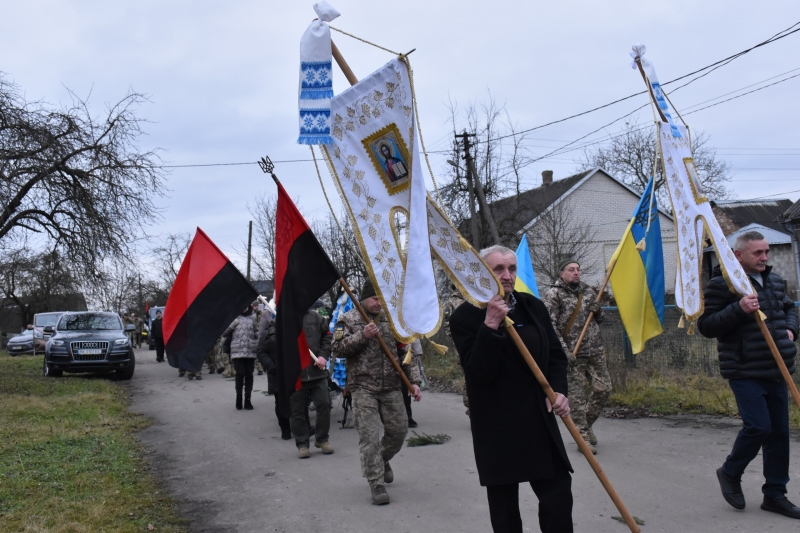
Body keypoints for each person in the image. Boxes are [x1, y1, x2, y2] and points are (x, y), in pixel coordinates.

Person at [449, 245, 573, 533]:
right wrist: (490, 324)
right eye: (498, 269)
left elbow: (556, 356)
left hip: (538, 420)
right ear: (482, 272)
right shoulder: (465, 317)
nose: (507, 275)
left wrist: (559, 391)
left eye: (512, 268)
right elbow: (478, 372)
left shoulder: (533, 307)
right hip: (497, 426)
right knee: (505, 514)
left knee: (558, 498)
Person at [698, 230, 800, 519]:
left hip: (778, 368)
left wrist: (791, 329)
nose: (764, 257)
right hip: (745, 369)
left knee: (779, 433)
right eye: (758, 252)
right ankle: (730, 472)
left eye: (766, 251)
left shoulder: (774, 280)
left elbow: (789, 308)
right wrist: (738, 308)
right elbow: (707, 326)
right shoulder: (723, 284)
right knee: (759, 427)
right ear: (738, 255)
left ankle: (775, 494)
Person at [331, 278, 422, 505]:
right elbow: (337, 349)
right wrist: (363, 335)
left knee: (399, 432)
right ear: (364, 298)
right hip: (363, 387)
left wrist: (414, 381)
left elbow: (405, 352)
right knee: (369, 438)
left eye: (382, 298)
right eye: (374, 298)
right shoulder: (348, 320)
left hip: (391, 386)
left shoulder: (392, 320)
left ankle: (382, 459)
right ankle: (376, 483)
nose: (379, 302)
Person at [542, 259, 611, 454]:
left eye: (578, 269)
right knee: (577, 398)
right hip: (572, 353)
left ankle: (586, 426)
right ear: (561, 273)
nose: (576, 272)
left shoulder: (587, 291)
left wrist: (598, 311)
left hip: (594, 349)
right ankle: (582, 438)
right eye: (571, 270)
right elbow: (549, 326)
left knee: (604, 389)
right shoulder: (554, 294)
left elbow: (601, 319)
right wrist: (563, 349)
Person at [263, 307, 333, 458]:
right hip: (295, 375)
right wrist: (284, 332)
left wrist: (323, 356)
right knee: (297, 411)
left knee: (324, 404)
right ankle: (302, 444)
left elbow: (327, 337)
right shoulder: (280, 320)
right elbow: (269, 344)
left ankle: (322, 439)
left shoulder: (316, 317)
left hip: (317, 372)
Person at [222, 304, 260, 410]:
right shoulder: (233, 316)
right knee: (240, 374)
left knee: (249, 375)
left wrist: (260, 336)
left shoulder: (253, 316)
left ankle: (248, 400)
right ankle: (238, 399)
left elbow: (256, 332)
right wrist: (233, 324)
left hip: (250, 350)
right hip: (237, 351)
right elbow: (224, 333)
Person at [442, 286, 468, 416]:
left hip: (481, 341)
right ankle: (471, 409)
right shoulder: (451, 303)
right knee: (469, 376)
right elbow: (448, 326)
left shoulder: (476, 297)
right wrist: (460, 338)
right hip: (462, 346)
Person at [400, 340, 422, 428]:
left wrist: (417, 350)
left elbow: (413, 333)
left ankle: (408, 416)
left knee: (406, 386)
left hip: (405, 349)